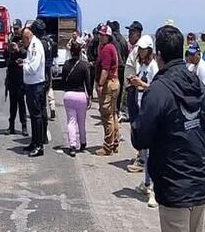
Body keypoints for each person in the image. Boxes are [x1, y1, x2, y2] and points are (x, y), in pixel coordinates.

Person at [131, 25, 205, 232]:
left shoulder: (160, 89)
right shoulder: (197, 84)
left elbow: (140, 138)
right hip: (199, 181)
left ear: (159, 55)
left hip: (174, 185)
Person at [126, 36, 157, 207]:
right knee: (144, 151)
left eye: (143, 49)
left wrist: (141, 84)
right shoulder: (143, 65)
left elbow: (155, 87)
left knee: (151, 151)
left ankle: (152, 188)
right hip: (141, 107)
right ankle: (146, 183)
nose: (140, 51)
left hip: (150, 109)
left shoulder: (153, 67)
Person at [95, 26, 122, 156]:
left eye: (103, 35)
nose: (100, 36)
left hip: (109, 83)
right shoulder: (111, 48)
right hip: (115, 82)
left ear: (108, 37)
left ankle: (108, 145)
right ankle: (115, 142)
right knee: (113, 113)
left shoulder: (106, 49)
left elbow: (105, 70)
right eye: (100, 34)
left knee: (107, 115)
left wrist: (100, 85)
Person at [61, 41, 91, 156]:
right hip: (81, 96)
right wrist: (90, 96)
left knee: (71, 121)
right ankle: (83, 143)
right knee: (81, 121)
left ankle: (72, 145)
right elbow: (88, 83)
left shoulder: (66, 64)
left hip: (69, 95)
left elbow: (63, 80)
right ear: (79, 52)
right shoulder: (84, 65)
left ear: (71, 51)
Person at [22, 25, 47, 157]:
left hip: (36, 85)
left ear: (27, 37)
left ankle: (39, 145)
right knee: (32, 115)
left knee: (37, 116)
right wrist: (25, 61)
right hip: (31, 85)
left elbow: (34, 67)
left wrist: (23, 65)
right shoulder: (31, 45)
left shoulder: (35, 46)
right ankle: (34, 141)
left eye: (23, 40)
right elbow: (30, 62)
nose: (23, 43)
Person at [123, 22, 145, 151]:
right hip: (132, 89)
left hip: (135, 90)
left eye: (131, 33)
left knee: (137, 123)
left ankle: (141, 155)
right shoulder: (135, 48)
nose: (129, 35)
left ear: (137, 33)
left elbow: (138, 72)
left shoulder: (138, 49)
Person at [3, 35, 28, 136]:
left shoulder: (22, 51)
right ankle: (11, 126)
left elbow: (26, 55)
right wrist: (8, 48)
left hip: (21, 82)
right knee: (12, 106)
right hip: (11, 82)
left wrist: (18, 50)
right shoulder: (10, 52)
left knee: (22, 105)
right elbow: (5, 58)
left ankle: (24, 126)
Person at [185, 42, 205, 108]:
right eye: (189, 54)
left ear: (198, 54)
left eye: (193, 55)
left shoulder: (202, 67)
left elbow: (201, 89)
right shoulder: (191, 66)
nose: (190, 57)